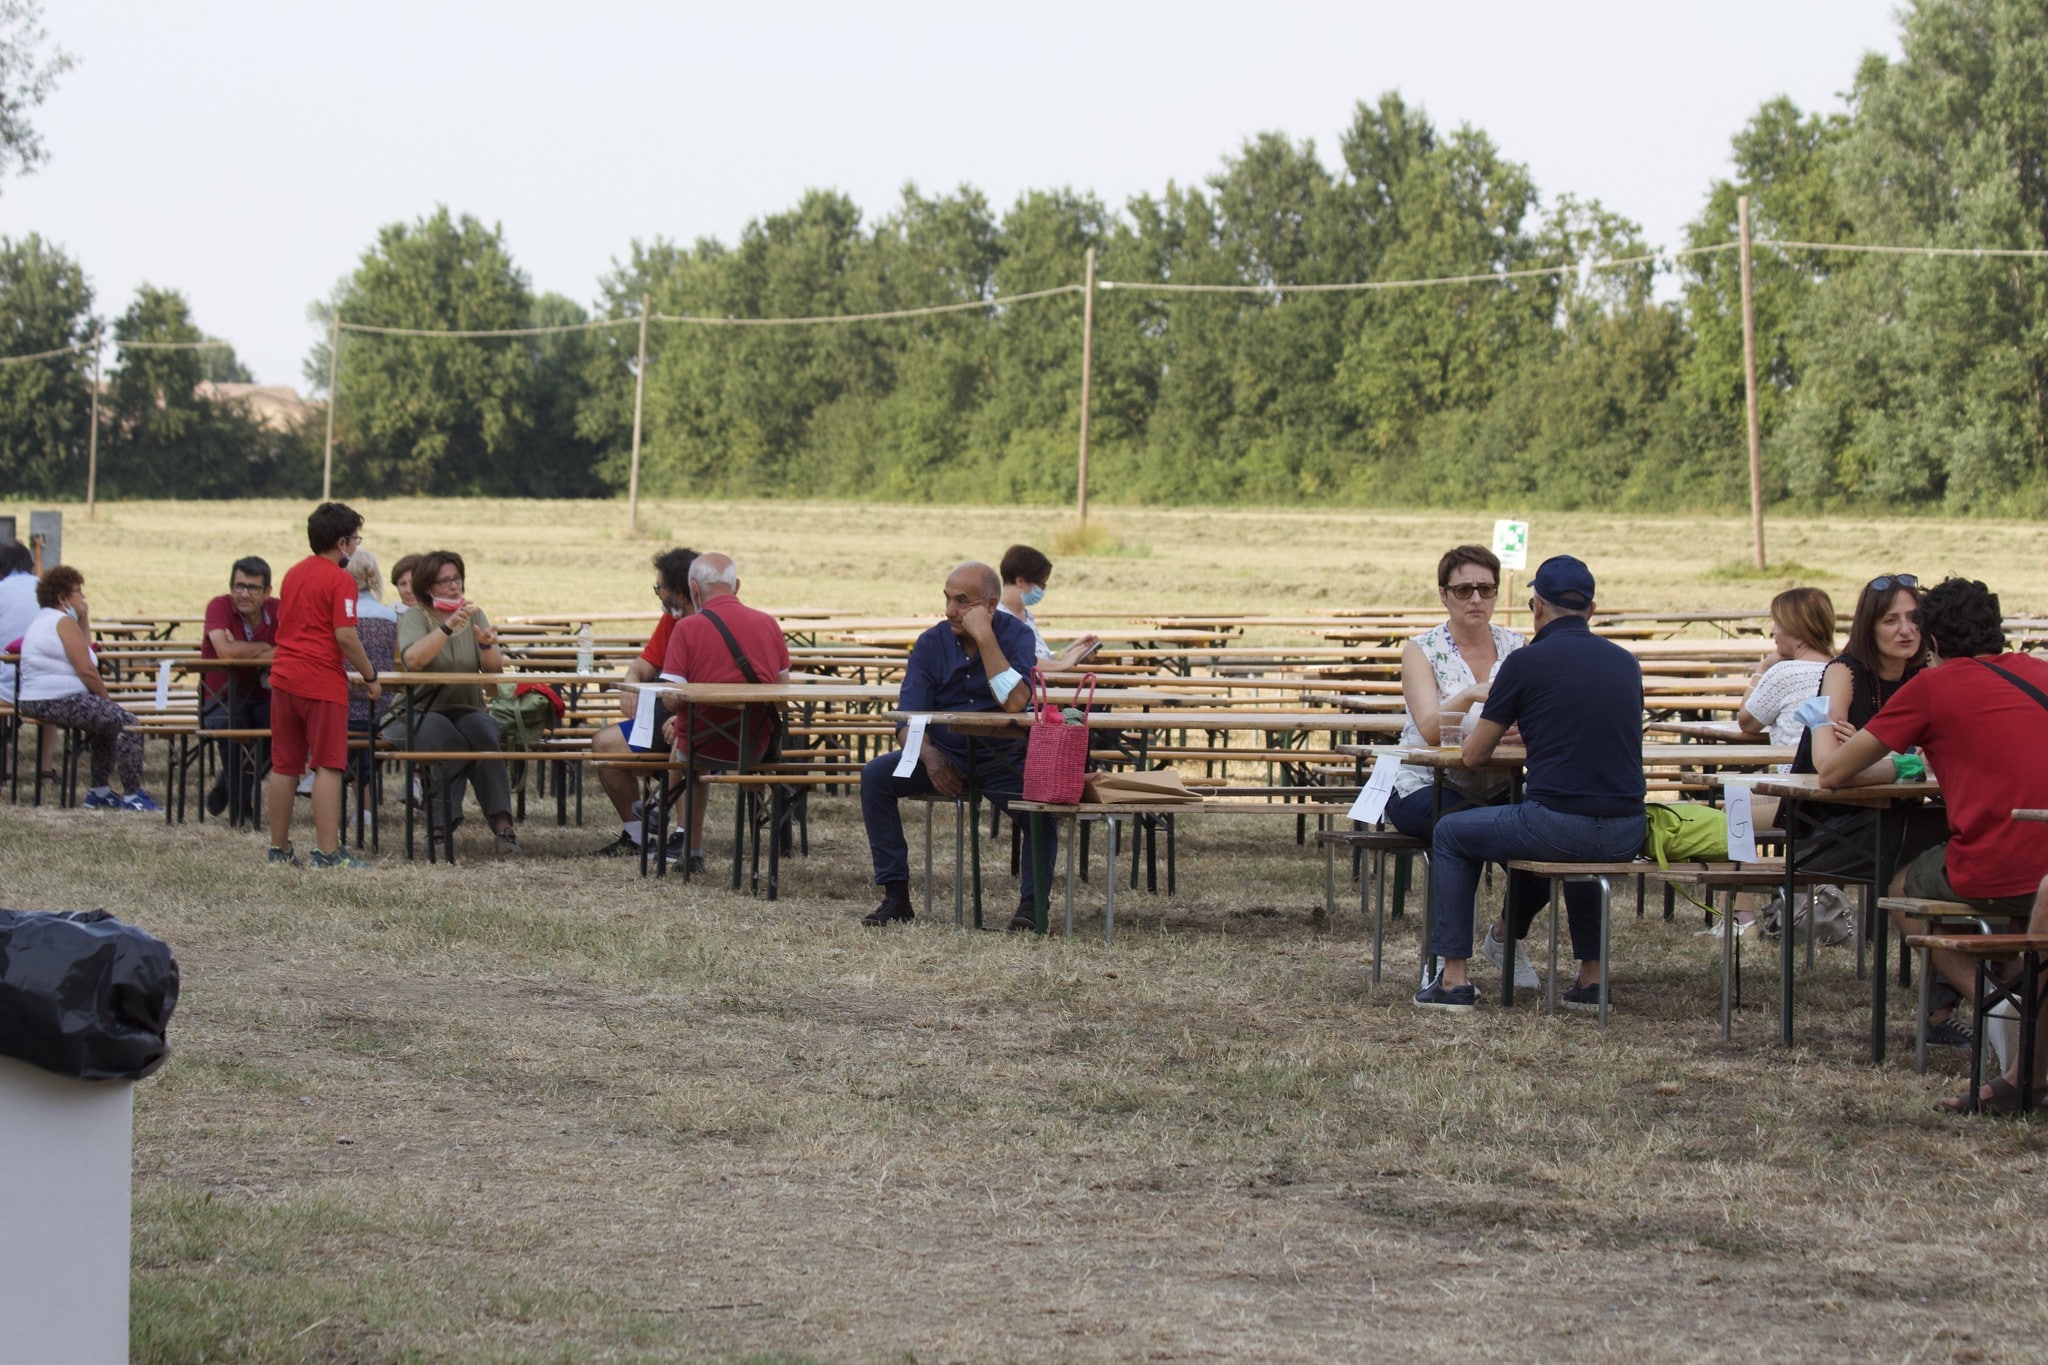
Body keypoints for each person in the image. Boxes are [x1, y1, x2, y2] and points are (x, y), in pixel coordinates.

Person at [1818, 576, 2048, 1078]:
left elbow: (1832, 772)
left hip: (1996, 866)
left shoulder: (1932, 686)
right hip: (2044, 870)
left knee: (1903, 887)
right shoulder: (2041, 672)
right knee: (2015, 908)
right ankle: (2018, 1010)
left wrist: (1828, 724)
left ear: (1934, 641)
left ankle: (1998, 1005)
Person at [1414, 555, 1645, 1011]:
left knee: (1451, 832)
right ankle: (1592, 979)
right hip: (1628, 830)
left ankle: (1453, 979)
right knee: (1584, 846)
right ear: (1592, 610)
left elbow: (1474, 755)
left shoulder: (1525, 662)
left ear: (1536, 607)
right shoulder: (1626, 663)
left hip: (1555, 825)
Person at [859, 561, 1053, 931]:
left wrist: (985, 637)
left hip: (1002, 759)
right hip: (944, 755)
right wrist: (929, 757)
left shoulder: (1017, 635)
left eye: (962, 601)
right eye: (947, 599)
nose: (950, 610)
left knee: (1040, 811)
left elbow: (1015, 702)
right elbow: (907, 718)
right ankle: (896, 896)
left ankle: (1032, 906)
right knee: (876, 776)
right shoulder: (930, 642)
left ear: (990, 605)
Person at [1384, 545, 1532, 984]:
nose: (1476, 599)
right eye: (1464, 589)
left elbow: (1539, 722)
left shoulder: (1518, 647)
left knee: (1550, 834)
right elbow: (1431, 729)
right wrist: (1471, 693)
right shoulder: (1421, 650)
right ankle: (1446, 962)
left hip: (1501, 784)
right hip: (1424, 785)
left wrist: (1526, 731)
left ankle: (1504, 935)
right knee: (1462, 833)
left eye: (1486, 588)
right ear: (1443, 595)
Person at [656, 552, 790, 872]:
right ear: (737, 585)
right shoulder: (768, 624)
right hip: (755, 746)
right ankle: (756, 858)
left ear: (693, 588)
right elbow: (783, 694)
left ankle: (690, 846)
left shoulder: (687, 628)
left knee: (684, 750)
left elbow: (671, 700)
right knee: (688, 743)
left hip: (701, 744)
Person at [265, 503, 381, 868]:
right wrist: (370, 676)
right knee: (329, 764)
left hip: (284, 676)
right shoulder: (341, 580)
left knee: (285, 765)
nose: (356, 546)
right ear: (342, 542)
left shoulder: (293, 573)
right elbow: (345, 636)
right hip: (321, 680)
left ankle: (279, 850)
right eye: (355, 540)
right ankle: (328, 852)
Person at [389, 549, 522, 856]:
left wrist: (486, 647)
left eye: (457, 578)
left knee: (485, 736)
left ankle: (503, 827)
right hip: (418, 710)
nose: (453, 586)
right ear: (427, 586)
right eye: (444, 581)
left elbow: (493, 671)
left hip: (466, 707)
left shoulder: (474, 614)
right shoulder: (416, 616)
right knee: (448, 741)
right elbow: (414, 660)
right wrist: (446, 627)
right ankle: (440, 828)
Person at [14, 565, 161, 812]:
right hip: (58, 698)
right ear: (62, 597)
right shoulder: (62, 622)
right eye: (78, 592)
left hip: (37, 699)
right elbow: (87, 669)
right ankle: (133, 795)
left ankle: (100, 792)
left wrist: (83, 617)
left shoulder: (46, 620)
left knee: (107, 725)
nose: (83, 597)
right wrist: (107, 701)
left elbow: (86, 651)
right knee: (128, 723)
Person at [589, 546, 697, 858]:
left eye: (659, 587)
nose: (658, 594)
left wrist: (685, 717)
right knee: (603, 744)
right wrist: (631, 684)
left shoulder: (708, 624)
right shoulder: (672, 620)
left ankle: (684, 836)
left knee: (683, 744)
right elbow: (644, 664)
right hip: (664, 716)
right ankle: (638, 837)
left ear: (678, 592)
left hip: (704, 724)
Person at [198, 556, 280, 822]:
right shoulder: (219, 606)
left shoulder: (279, 610)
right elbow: (225, 651)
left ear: (267, 591)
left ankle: (227, 786)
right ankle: (241, 806)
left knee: (283, 728)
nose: (244, 594)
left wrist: (242, 649)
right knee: (233, 725)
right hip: (219, 697)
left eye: (252, 588)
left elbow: (291, 649)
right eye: (238, 586)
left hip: (265, 696)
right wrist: (265, 648)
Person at [346, 548, 399, 834]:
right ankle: (365, 809)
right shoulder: (390, 616)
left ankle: (361, 806)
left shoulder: (342, 616)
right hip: (384, 708)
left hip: (345, 704)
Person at [996, 544, 1100, 672]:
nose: (1042, 591)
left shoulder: (1027, 616)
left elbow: (1045, 659)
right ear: (1020, 581)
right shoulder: (999, 619)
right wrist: (1062, 664)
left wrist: (1073, 650)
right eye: (1041, 585)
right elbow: (1022, 661)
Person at [0, 538, 43, 780]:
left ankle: (5, 768)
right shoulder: (48, 589)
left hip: (6, 687)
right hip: (47, 688)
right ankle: (46, 769)